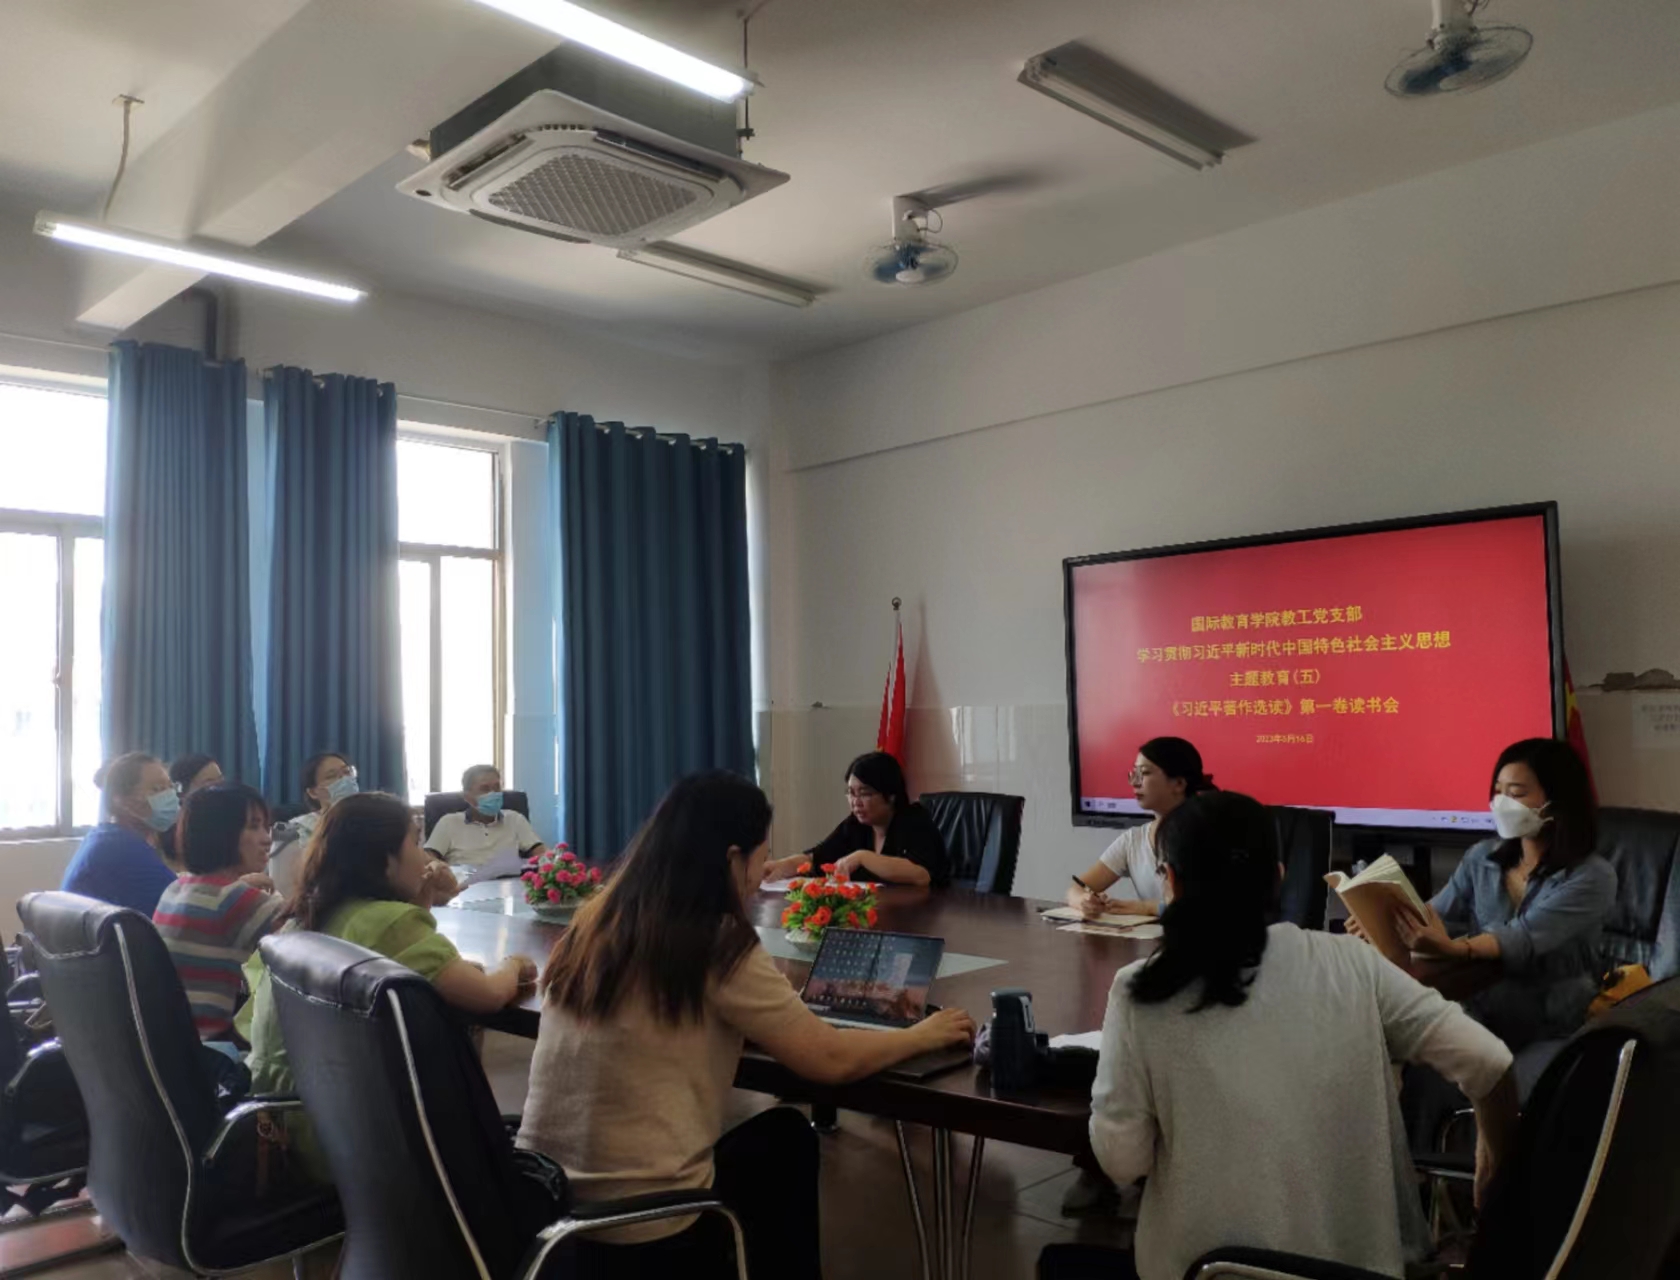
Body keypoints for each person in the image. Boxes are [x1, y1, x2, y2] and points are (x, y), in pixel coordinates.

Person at [1039, 791, 1518, 1280]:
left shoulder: (1141, 990)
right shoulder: (1352, 963)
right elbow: (1489, 1062)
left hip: (1208, 1272)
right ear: (1280, 876)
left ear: (1172, 881)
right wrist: (1492, 1160)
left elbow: (1122, 1161)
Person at [518, 771, 975, 1280]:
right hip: (644, 1232)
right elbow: (830, 1060)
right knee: (786, 1141)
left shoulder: (596, 919)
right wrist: (922, 1035)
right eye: (762, 857)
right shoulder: (715, 939)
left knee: (772, 1139)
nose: (760, 875)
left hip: (544, 1216)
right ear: (732, 858)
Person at [240, 791, 534, 1173]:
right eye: (415, 842)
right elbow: (488, 996)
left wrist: (420, 898)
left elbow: (400, 951)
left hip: (285, 1117)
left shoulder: (308, 913)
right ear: (385, 860)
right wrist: (513, 964)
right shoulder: (388, 922)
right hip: (350, 1136)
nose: (425, 857)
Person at [1393, 737, 1616, 1055]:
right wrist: (1382, 917)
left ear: (1557, 801)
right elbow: (1435, 915)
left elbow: (1522, 939)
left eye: (1516, 794)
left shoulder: (1593, 877)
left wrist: (1456, 949)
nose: (1501, 803)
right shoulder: (1482, 857)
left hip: (1555, 1026)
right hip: (1481, 1011)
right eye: (1498, 791)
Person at [153, 783, 284, 1041]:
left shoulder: (177, 888)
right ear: (221, 834)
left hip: (171, 1041)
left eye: (265, 826)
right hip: (210, 1049)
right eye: (253, 826)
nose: (267, 838)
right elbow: (309, 933)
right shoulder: (233, 900)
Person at [1067, 737, 1214, 921]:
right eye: (1134, 773)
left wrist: (1148, 907)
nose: (1135, 782)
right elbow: (1077, 888)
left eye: (1144, 773)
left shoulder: (1210, 834)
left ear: (1178, 784)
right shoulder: (1133, 840)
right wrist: (1084, 901)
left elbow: (1214, 909)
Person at [762, 751, 950, 887]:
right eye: (851, 793)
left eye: (864, 793)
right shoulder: (856, 824)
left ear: (891, 795)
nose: (855, 802)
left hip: (923, 917)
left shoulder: (914, 820)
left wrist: (863, 857)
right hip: (876, 914)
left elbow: (920, 875)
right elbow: (818, 857)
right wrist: (784, 865)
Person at [62, 752, 179, 916]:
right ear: (122, 800)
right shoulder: (123, 850)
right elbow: (182, 909)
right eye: (157, 789)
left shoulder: (104, 836)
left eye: (170, 787)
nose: (169, 796)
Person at [425, 764, 547, 884]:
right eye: (485, 789)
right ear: (467, 797)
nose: (493, 794)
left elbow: (540, 851)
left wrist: (547, 866)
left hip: (508, 884)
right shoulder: (449, 822)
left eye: (497, 787)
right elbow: (428, 856)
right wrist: (442, 870)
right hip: (466, 886)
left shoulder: (515, 819)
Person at [267, 751, 360, 900]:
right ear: (313, 792)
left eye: (347, 772)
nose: (344, 779)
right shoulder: (288, 831)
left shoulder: (374, 822)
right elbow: (282, 889)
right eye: (331, 776)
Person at [160, 753, 223, 866]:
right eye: (209, 782)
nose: (219, 788)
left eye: (221, 780)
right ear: (182, 792)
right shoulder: (172, 831)